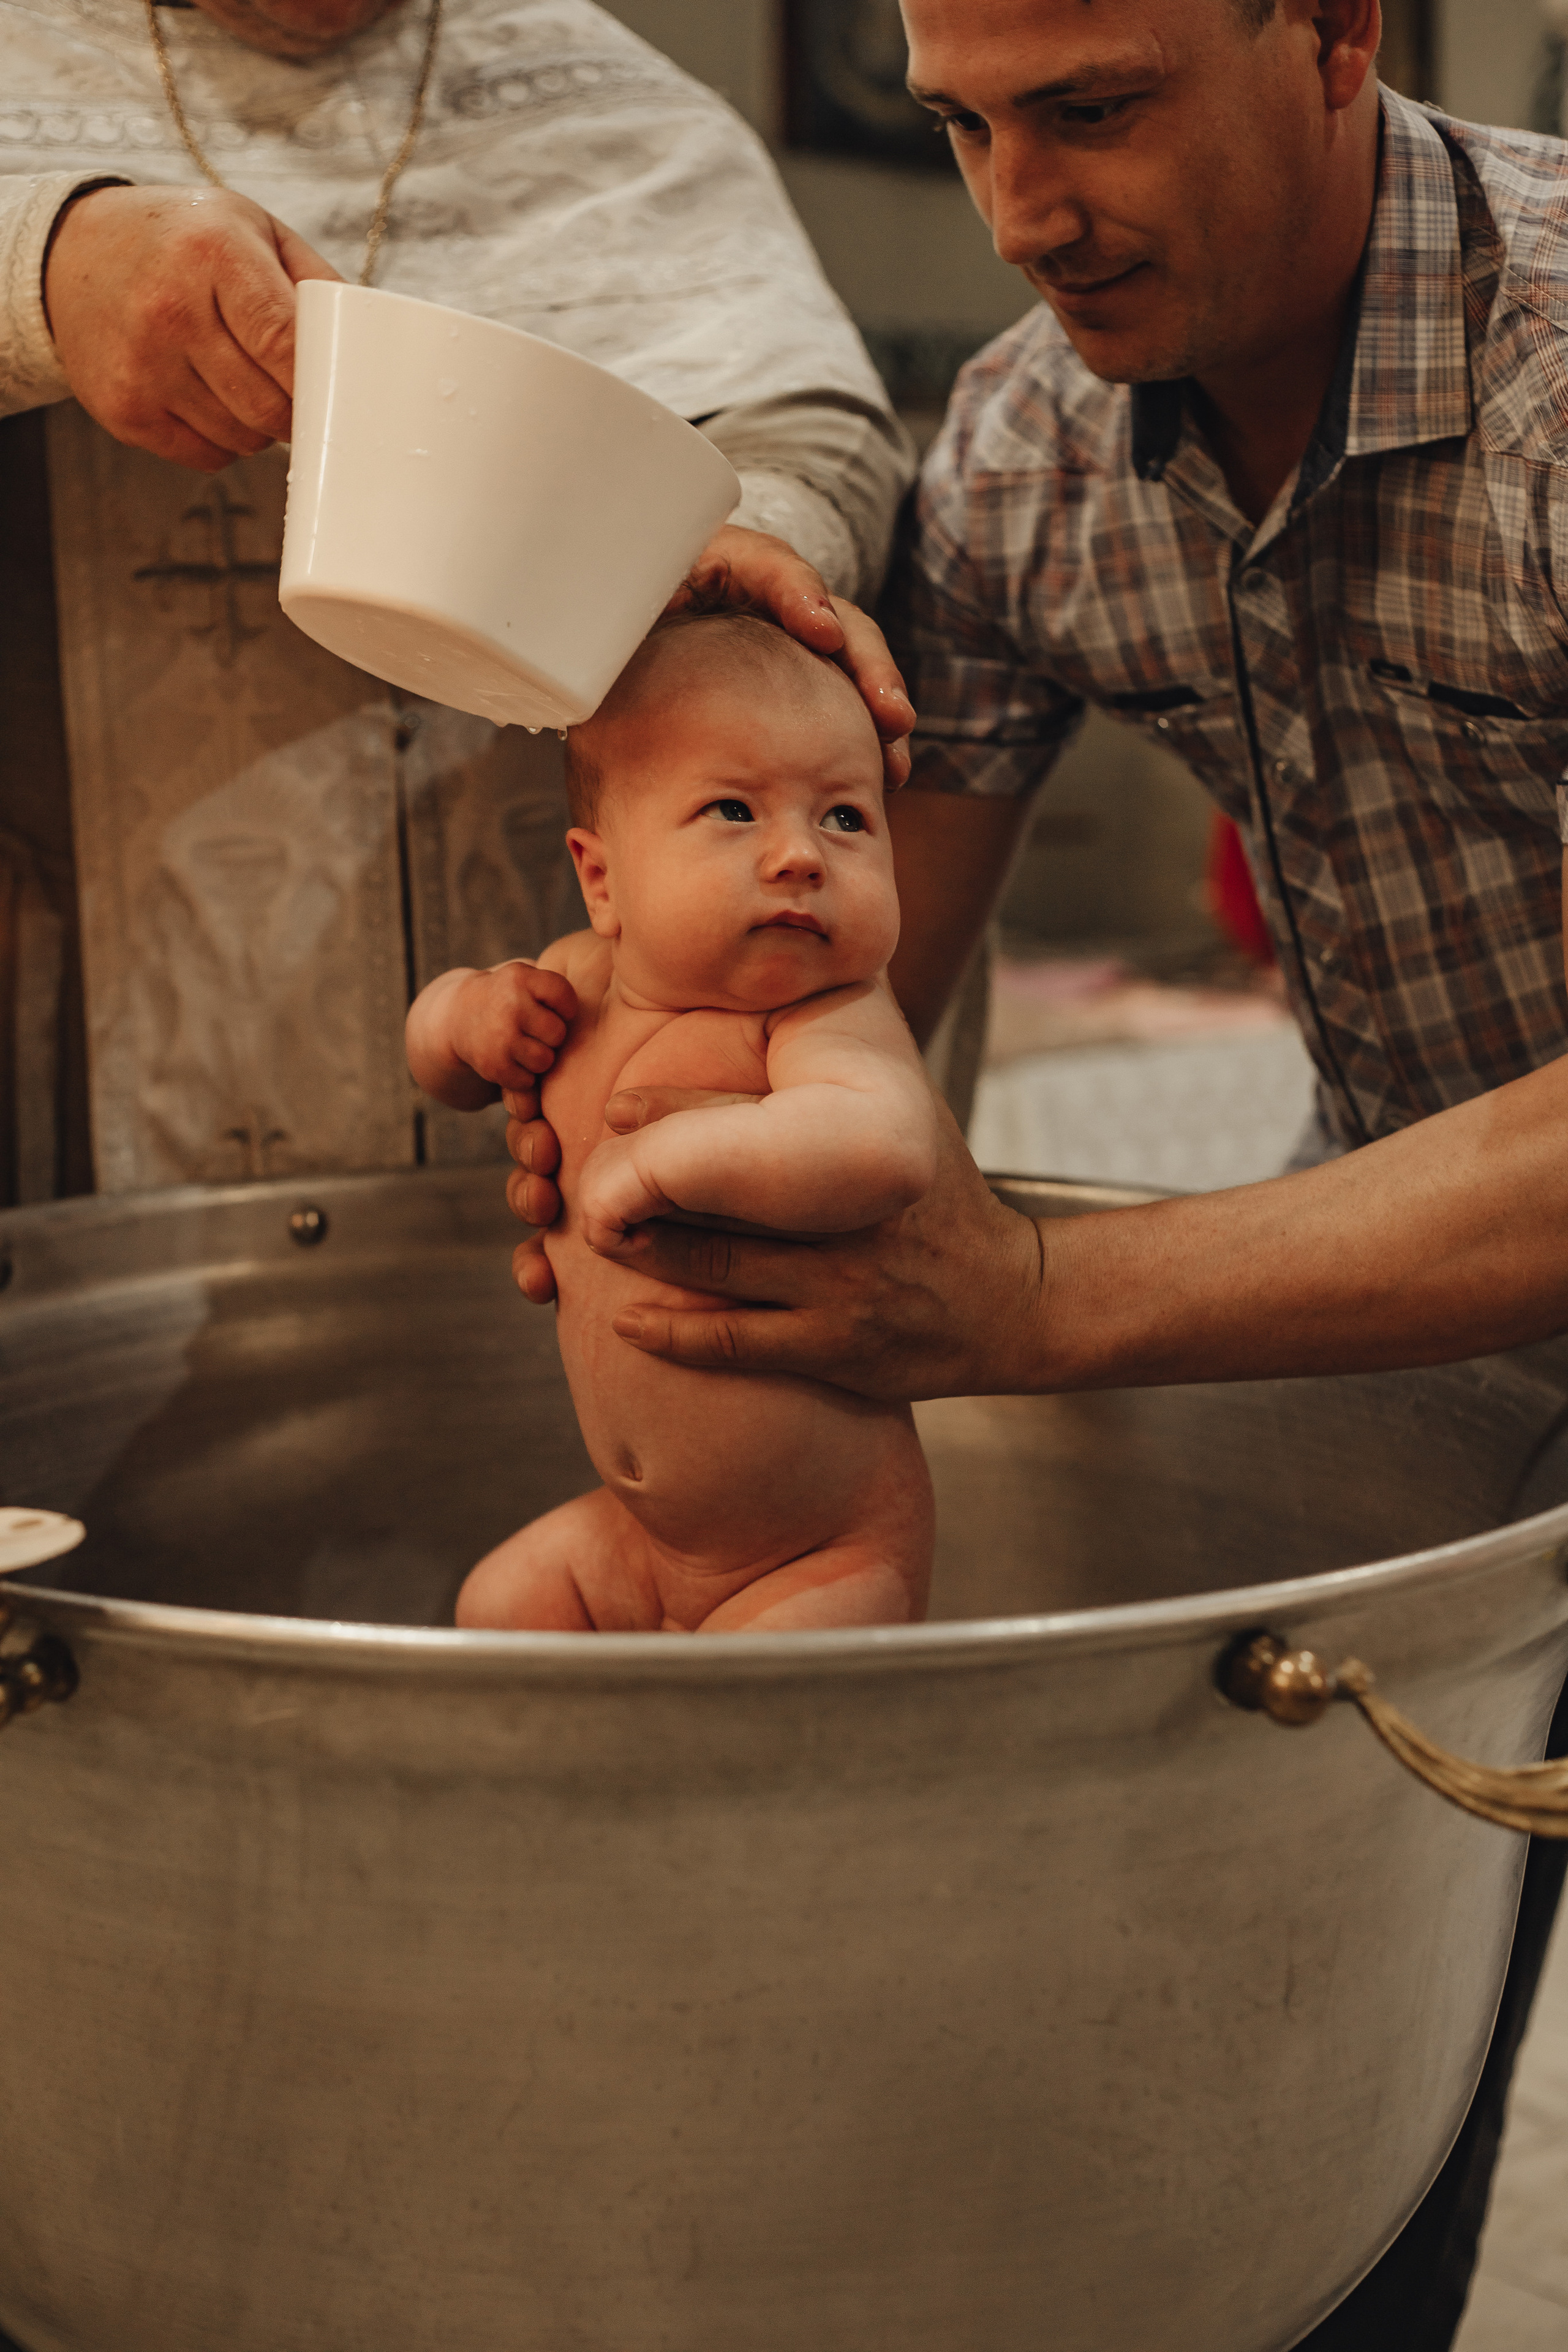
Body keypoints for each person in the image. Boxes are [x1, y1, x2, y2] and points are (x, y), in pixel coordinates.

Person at [499, 1, 1568, 2340]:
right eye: (964, 123)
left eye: (1093, 109)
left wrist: (1049, 1303)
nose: (1018, 215)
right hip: (1412, 1239)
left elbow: (1017, 1280)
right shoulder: (1015, 451)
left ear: (1336, 34)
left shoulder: (1554, 387)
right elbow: (840, 984)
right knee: (1365, 2046)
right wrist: (635, 1078)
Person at [0, 0, 916, 1204]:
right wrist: (40, 263)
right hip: (98, 1012)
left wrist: (752, 533)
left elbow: (815, 425)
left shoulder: (609, 96)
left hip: (587, 1017)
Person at [405, 608, 937, 1632]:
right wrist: (467, 1016)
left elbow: (884, 1144)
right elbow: (439, 1067)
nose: (800, 857)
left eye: (844, 818)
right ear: (601, 878)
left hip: (821, 1557)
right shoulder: (568, 983)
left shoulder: (823, 1016)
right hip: (642, 1540)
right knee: (500, 1604)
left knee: (731, 1732)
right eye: (735, 810)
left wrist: (666, 1164)